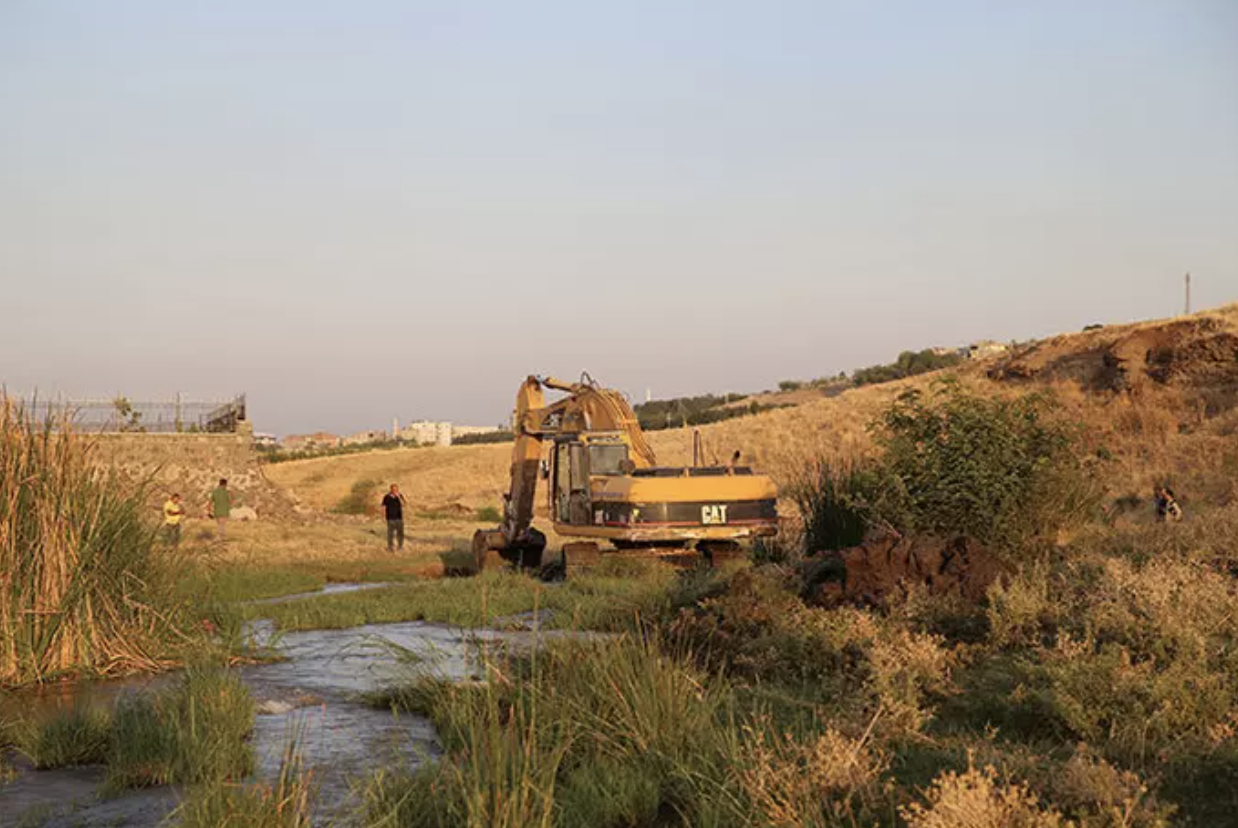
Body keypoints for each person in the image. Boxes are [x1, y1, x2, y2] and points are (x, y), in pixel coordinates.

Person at [381, 483, 407, 552]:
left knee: (400, 533)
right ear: (391, 489)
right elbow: (383, 507)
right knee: (390, 534)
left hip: (399, 518)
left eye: (396, 489)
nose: (395, 491)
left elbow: (404, 504)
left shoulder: (400, 496)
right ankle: (390, 547)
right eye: (394, 489)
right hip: (390, 518)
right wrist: (383, 516)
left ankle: (400, 547)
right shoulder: (386, 497)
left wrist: (398, 497)